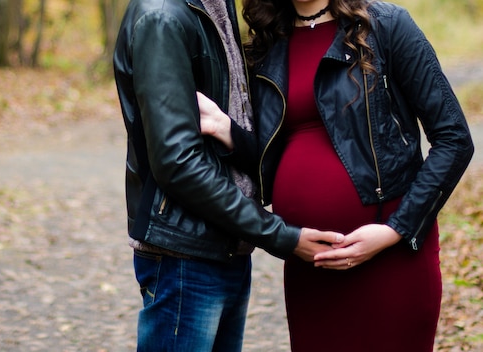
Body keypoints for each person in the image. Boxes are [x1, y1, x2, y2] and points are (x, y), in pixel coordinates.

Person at [197, 0, 475, 350]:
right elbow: (275, 161)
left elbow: (454, 139)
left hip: (391, 259)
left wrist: (395, 229)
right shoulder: (269, 42)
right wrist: (229, 132)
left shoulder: (385, 25)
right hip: (310, 266)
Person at [112, 0, 346, 350]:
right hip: (184, 257)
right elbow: (178, 163)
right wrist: (280, 235)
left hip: (226, 247)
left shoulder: (217, 6)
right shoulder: (162, 16)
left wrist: (233, 134)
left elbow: (235, 120)